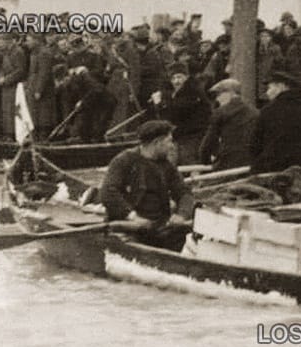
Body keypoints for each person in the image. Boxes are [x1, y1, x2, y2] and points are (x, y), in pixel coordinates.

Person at [100, 120, 195, 251]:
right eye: (169, 141)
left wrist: (182, 215)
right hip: (129, 227)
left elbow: (184, 193)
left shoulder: (166, 166)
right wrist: (133, 217)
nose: (172, 146)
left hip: (158, 227)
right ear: (157, 143)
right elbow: (108, 193)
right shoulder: (124, 161)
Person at [149, 63, 211, 165]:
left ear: (186, 77)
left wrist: (159, 104)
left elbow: (174, 113)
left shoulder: (192, 91)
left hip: (193, 136)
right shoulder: (178, 93)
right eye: (173, 78)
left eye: (179, 77)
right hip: (182, 135)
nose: (176, 81)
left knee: (190, 162)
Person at [199, 78, 258, 170]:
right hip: (250, 164)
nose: (217, 99)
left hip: (227, 164)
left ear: (229, 93)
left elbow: (207, 145)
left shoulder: (220, 113)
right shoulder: (255, 113)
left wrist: (206, 162)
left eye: (218, 94)